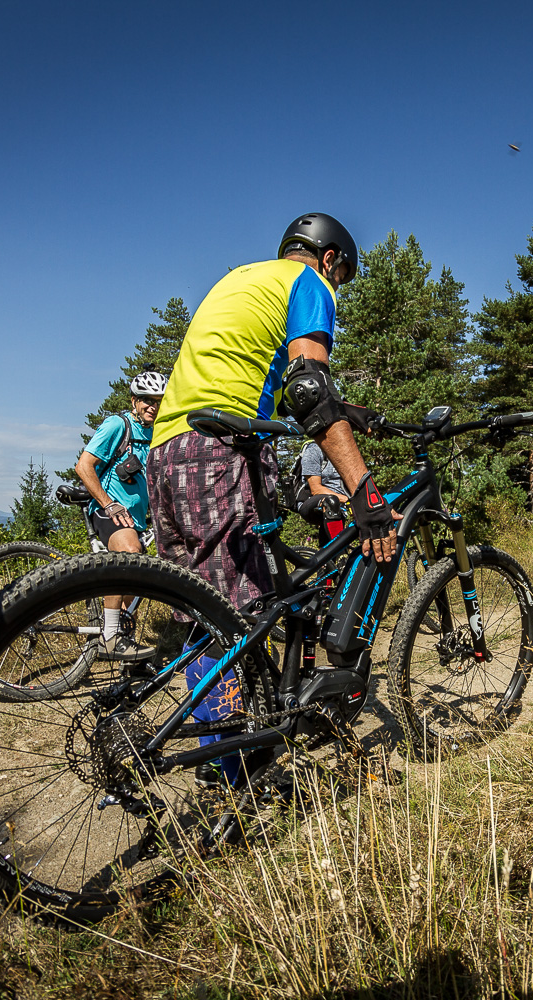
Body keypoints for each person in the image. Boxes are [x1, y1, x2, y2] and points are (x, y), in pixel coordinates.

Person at [147, 212, 397, 787]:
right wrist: (364, 490)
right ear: (330, 259)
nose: (339, 291)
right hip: (219, 449)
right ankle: (236, 777)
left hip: (169, 448)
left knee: (206, 611)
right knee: (241, 612)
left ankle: (226, 751)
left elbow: (265, 381)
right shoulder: (310, 284)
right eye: (344, 279)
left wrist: (348, 413)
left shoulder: (243, 278)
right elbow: (308, 388)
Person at [75, 371, 167, 659]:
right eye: (146, 400)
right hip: (108, 513)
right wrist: (109, 504)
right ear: (134, 401)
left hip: (138, 519)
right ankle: (110, 637)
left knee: (135, 583)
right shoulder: (118, 425)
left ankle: (128, 650)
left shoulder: (157, 434)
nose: (152, 406)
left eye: (158, 401)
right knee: (128, 554)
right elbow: (84, 467)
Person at [298, 438, 351, 542]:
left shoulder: (346, 452)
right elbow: (316, 489)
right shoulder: (314, 449)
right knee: (331, 501)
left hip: (341, 506)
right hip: (311, 501)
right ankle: (341, 554)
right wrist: (348, 500)